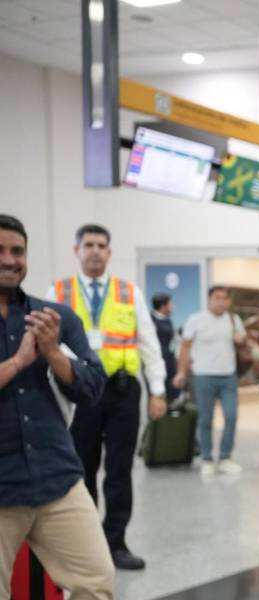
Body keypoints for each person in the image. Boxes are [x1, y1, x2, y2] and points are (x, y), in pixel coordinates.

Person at [0, 215, 114, 599]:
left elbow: (93, 386)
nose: (10, 259)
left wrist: (51, 352)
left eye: (17, 251)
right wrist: (17, 362)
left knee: (96, 582)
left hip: (57, 478)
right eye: (0, 250)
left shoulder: (52, 318)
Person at [46, 223, 167, 571]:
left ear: (109, 252)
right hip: (79, 393)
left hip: (122, 391)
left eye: (102, 245)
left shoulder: (129, 292)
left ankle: (116, 543)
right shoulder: (58, 291)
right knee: (81, 469)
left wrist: (157, 390)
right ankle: (87, 545)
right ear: (77, 250)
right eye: (89, 245)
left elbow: (149, 344)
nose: (96, 250)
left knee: (119, 471)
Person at [173, 286, 247, 476]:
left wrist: (240, 339)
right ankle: (206, 458)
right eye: (217, 298)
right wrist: (181, 372)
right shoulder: (196, 320)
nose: (221, 302)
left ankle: (225, 457)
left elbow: (242, 341)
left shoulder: (233, 319)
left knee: (231, 417)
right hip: (203, 375)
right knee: (206, 419)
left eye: (224, 298)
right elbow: (185, 347)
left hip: (228, 376)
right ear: (209, 300)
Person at [151, 293, 180, 404]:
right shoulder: (151, 320)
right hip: (157, 362)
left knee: (171, 395)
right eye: (170, 304)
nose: (172, 307)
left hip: (170, 362)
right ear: (163, 306)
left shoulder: (168, 320)